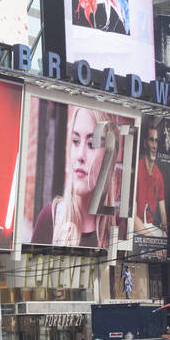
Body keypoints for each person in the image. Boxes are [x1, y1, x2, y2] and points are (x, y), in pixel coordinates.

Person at [29, 105, 125, 248]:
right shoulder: (50, 218)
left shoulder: (119, 228)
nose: (80, 155)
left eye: (91, 144)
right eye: (75, 141)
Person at [134, 117, 167, 238]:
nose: (154, 146)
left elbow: (163, 211)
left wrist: (165, 232)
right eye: (151, 140)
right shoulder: (137, 170)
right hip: (137, 231)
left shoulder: (159, 175)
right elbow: (132, 217)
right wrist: (153, 240)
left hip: (151, 229)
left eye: (156, 141)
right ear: (144, 143)